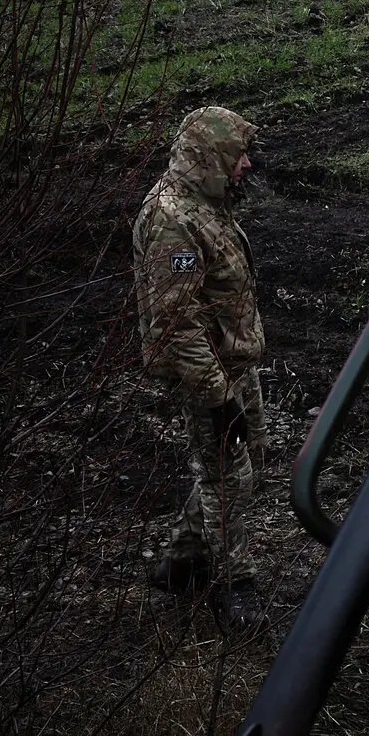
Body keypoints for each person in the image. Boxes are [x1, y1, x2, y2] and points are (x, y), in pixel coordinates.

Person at [134, 106, 269, 632]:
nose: (247, 165)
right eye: (238, 155)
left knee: (247, 462)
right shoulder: (173, 219)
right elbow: (177, 322)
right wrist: (216, 397)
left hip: (234, 363)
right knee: (226, 477)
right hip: (206, 375)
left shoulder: (205, 203)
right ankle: (235, 587)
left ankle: (181, 559)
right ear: (209, 155)